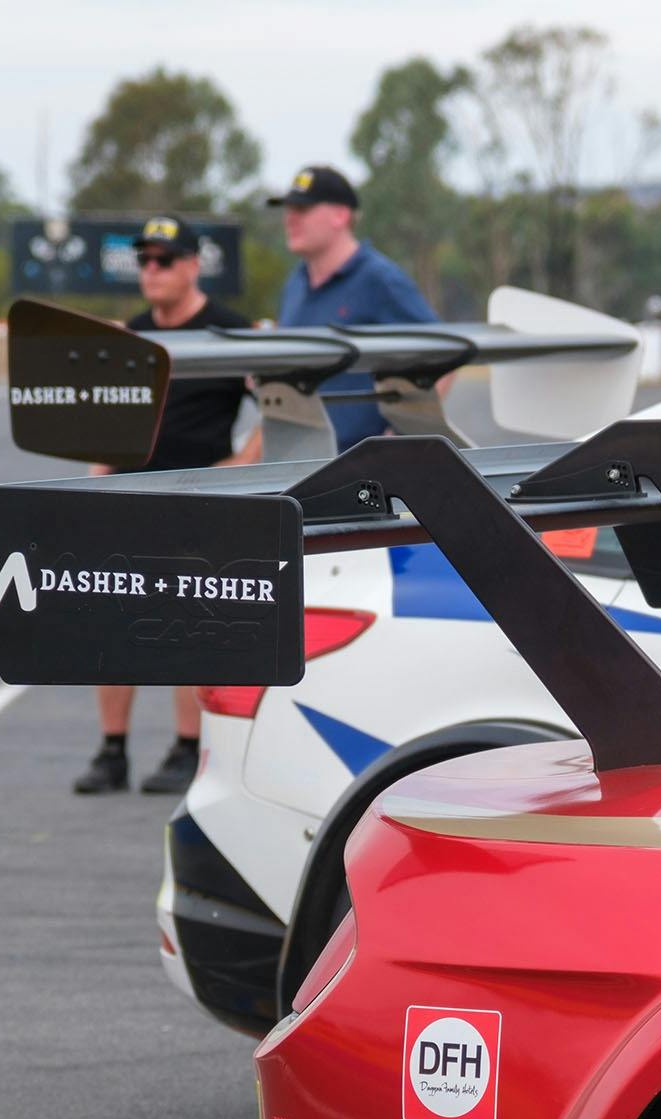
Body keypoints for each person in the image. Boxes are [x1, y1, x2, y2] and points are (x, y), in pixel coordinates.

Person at [74, 214, 263, 797]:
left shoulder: (231, 331)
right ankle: (112, 751)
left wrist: (239, 467)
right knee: (112, 621)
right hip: (129, 495)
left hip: (199, 501)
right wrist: (98, 477)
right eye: (144, 261)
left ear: (190, 265)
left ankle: (186, 748)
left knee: (184, 623)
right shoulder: (132, 333)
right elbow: (110, 417)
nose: (151, 270)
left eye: (163, 260)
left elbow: (281, 408)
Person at [268, 164, 440, 447]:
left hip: (361, 470)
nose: (290, 219)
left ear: (340, 215)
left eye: (303, 210)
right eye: (289, 210)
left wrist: (400, 435)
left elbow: (442, 357)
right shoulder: (295, 283)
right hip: (303, 458)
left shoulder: (379, 279)